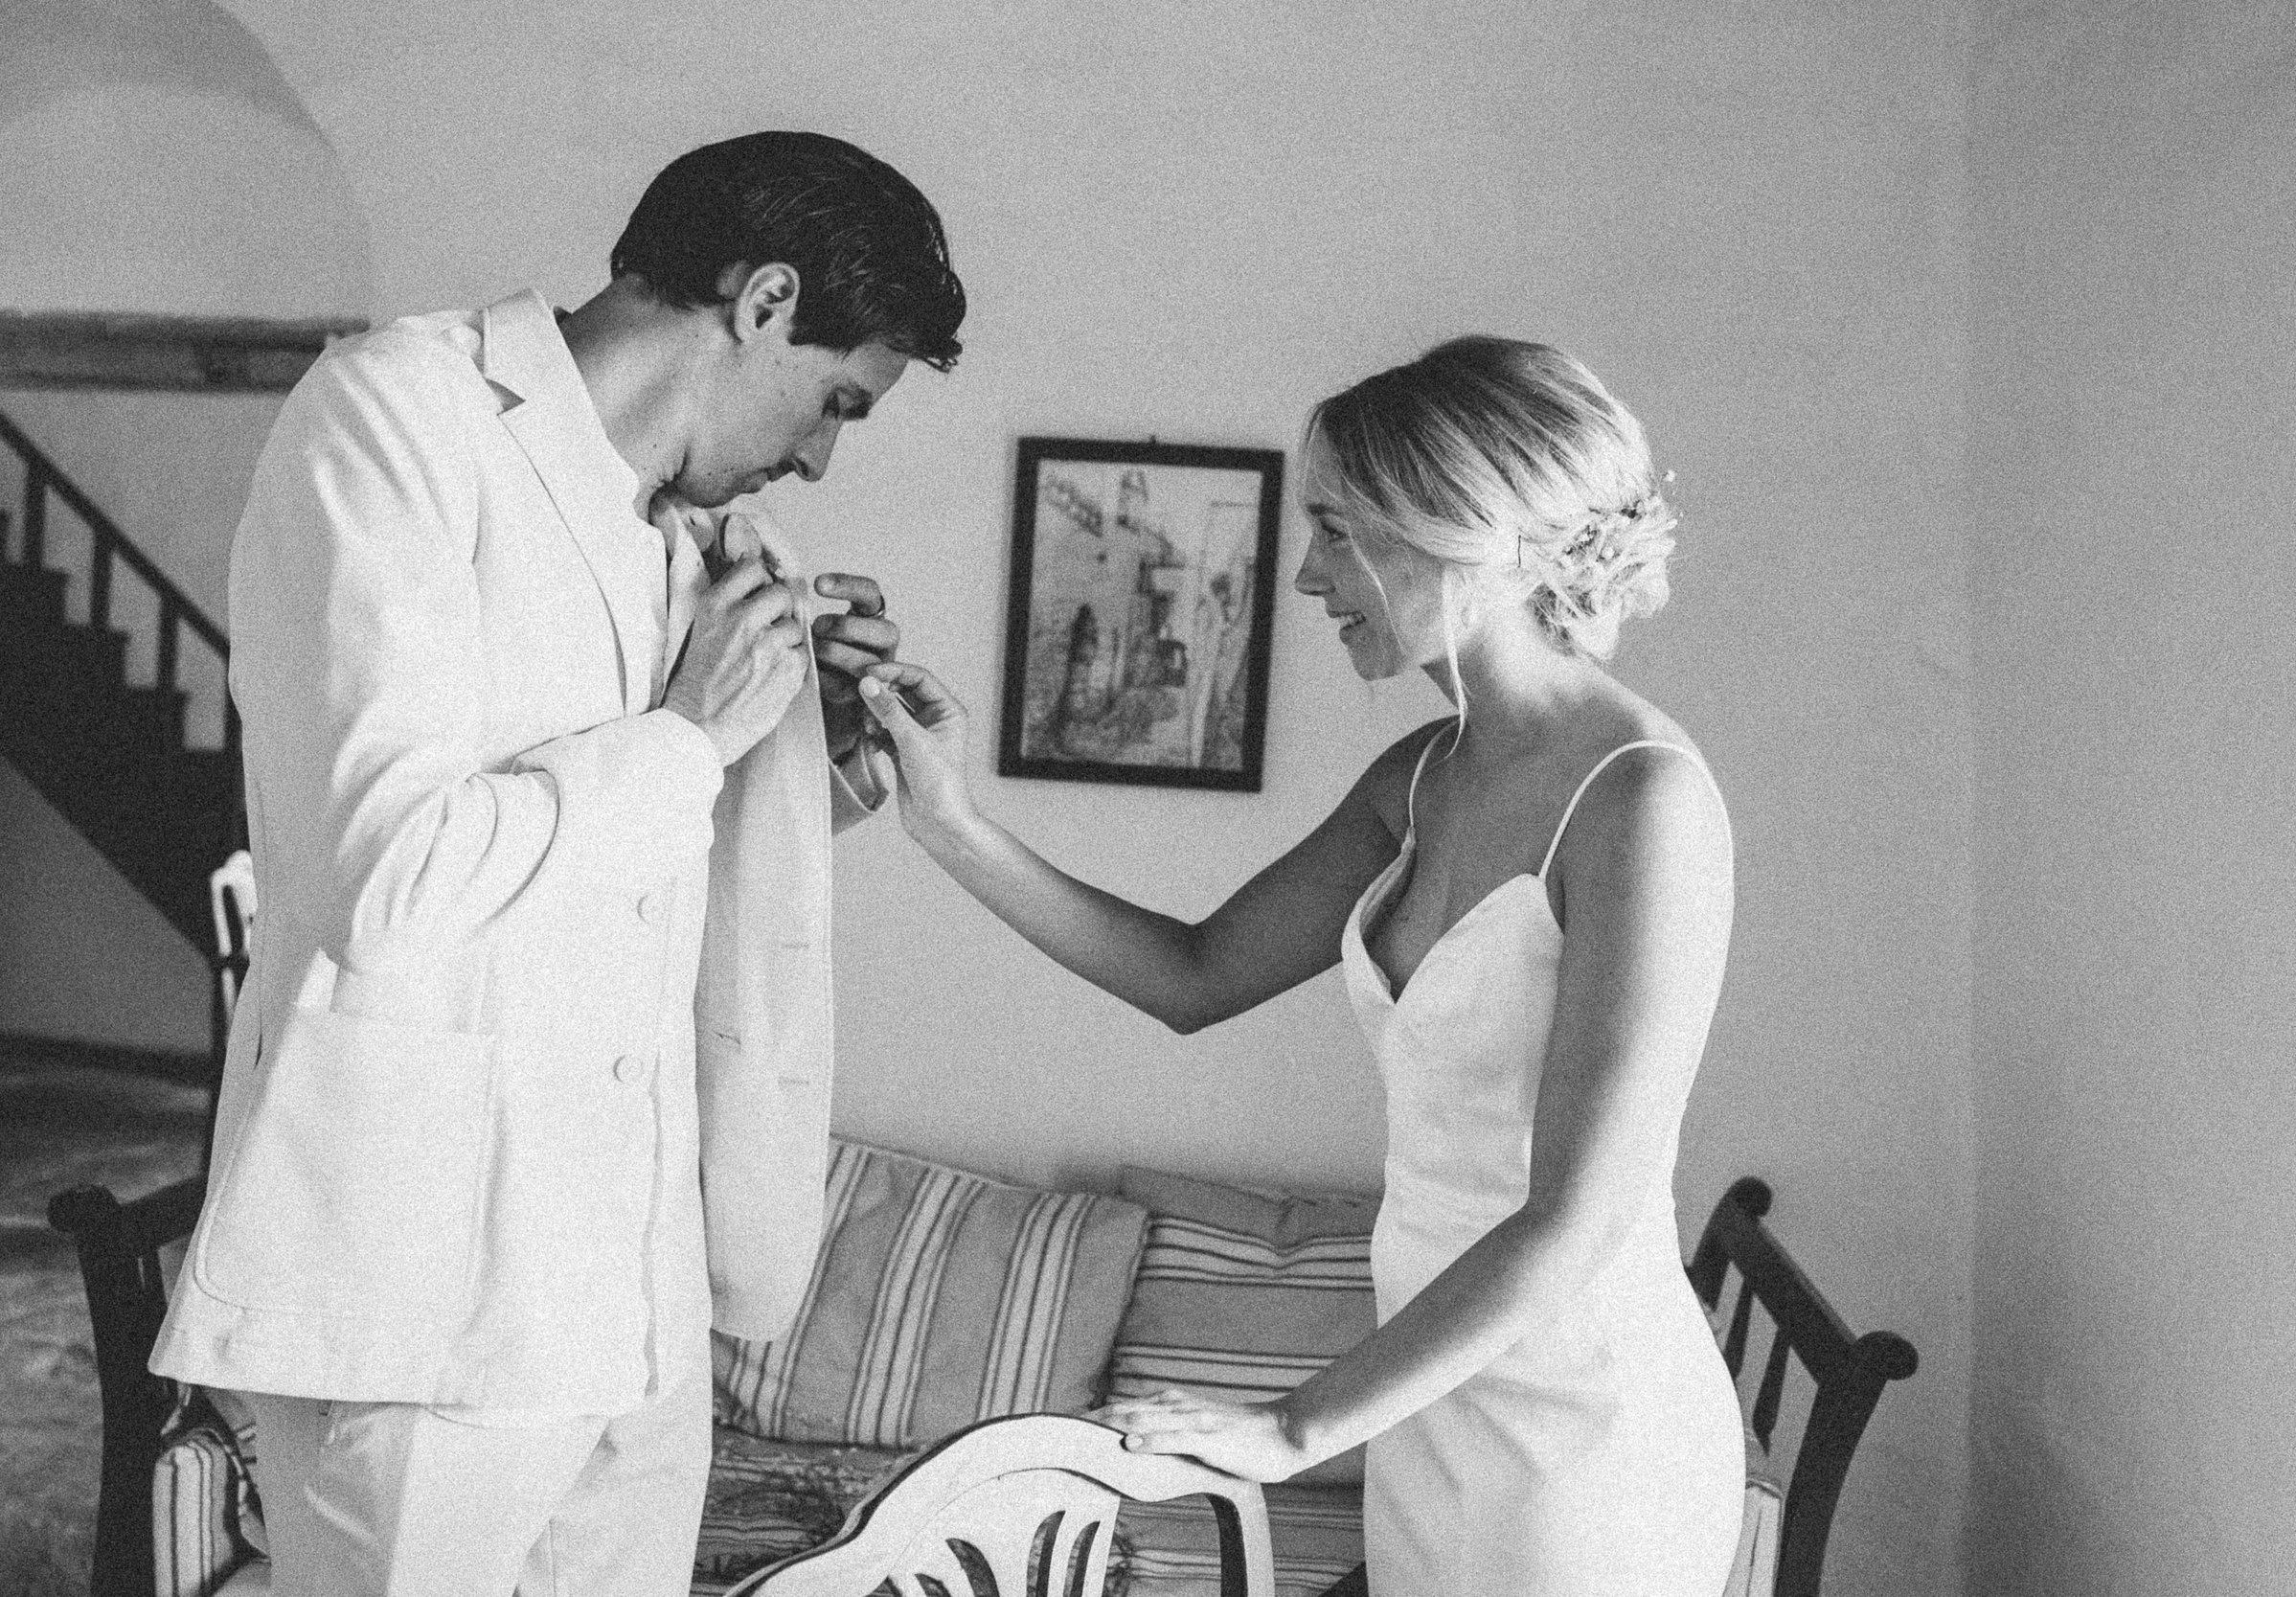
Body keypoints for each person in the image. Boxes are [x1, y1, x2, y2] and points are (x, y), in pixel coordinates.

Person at [148, 131, 966, 1595]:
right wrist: (696, 735)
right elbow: (381, 881)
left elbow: (636, 871)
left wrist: (804, 758)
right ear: (765, 300)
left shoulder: (700, 534)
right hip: (425, 1286)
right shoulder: (397, 417)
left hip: (631, 1299)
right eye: (838, 401)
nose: (823, 456)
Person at [854, 336, 1745, 1596]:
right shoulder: (1421, 777)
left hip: (1582, 1441)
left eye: (1335, 528)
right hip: (1427, 1407)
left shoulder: (1642, 803)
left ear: (1454, 528)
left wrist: (1291, 1427)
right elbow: (1193, 975)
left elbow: (1574, 1221)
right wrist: (950, 823)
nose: (1309, 571)